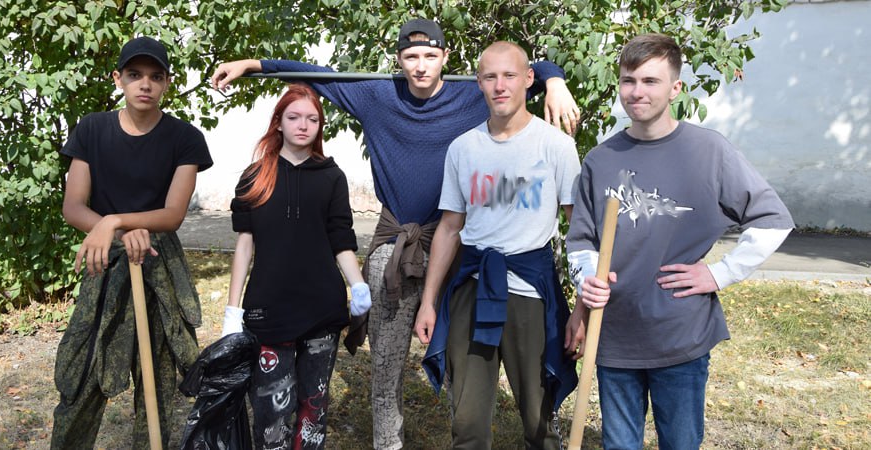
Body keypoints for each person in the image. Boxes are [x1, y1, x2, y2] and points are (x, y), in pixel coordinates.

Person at [212, 18, 580, 450]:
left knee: (463, 362)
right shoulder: (376, 95)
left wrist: (555, 79)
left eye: (429, 56)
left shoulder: (472, 94)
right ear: (399, 60)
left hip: (455, 249)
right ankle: (389, 443)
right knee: (385, 366)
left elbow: (519, 74)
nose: (420, 66)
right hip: (395, 249)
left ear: (445, 58)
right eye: (410, 56)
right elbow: (317, 75)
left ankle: (464, 431)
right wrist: (253, 64)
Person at [564, 33, 794, 449]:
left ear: (676, 88)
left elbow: (773, 219)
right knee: (619, 444)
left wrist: (720, 273)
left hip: (679, 335)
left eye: (650, 81)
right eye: (628, 80)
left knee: (681, 442)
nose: (637, 92)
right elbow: (581, 240)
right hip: (615, 333)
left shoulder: (708, 152)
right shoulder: (601, 160)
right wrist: (586, 279)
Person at [413, 41, 581, 449]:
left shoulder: (555, 146)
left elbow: (579, 229)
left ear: (528, 80)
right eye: (490, 77)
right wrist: (429, 300)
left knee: (539, 419)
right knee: (467, 423)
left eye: (509, 76)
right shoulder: (463, 148)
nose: (500, 86)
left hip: (529, 292)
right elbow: (450, 227)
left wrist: (581, 309)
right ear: (479, 84)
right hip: (472, 288)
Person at [51, 36, 213, 448]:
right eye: (135, 75)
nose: (145, 84)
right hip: (104, 261)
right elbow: (73, 205)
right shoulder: (92, 128)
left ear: (167, 83)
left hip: (158, 262)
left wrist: (115, 221)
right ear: (118, 79)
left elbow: (173, 214)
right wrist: (114, 231)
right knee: (85, 370)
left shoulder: (185, 138)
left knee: (156, 377)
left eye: (155, 77)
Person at [220, 83, 371, 449]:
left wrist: (358, 284)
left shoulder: (332, 177)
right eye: (294, 117)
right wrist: (232, 309)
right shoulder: (254, 177)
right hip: (268, 312)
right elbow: (244, 245)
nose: (303, 125)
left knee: (313, 410)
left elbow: (340, 238)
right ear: (279, 123)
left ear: (320, 126)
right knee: (271, 412)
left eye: (312, 119)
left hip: (322, 311)